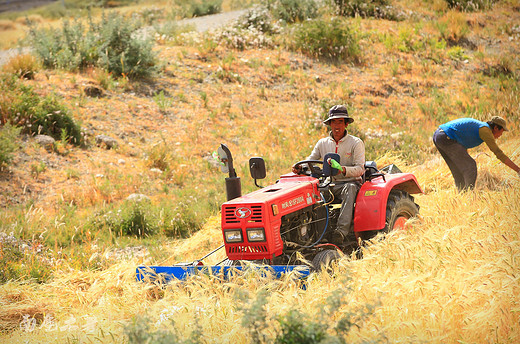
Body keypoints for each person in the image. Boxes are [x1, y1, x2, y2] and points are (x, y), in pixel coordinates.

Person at [293, 105, 365, 244]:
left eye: (340, 122)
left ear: (346, 123)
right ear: (329, 124)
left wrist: (343, 170)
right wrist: (299, 166)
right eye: (333, 122)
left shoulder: (355, 143)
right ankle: (314, 233)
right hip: (328, 184)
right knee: (312, 192)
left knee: (349, 188)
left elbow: (360, 169)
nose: (336, 125)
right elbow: (310, 159)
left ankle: (340, 232)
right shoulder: (322, 143)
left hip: (349, 183)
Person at [433, 116, 520, 191]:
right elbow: (498, 153)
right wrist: (518, 170)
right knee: (470, 166)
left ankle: (462, 196)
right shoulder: (486, 131)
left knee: (457, 169)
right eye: (502, 131)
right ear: (496, 128)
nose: (501, 134)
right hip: (446, 137)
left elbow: (462, 142)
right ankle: (469, 196)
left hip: (439, 135)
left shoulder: (481, 127)